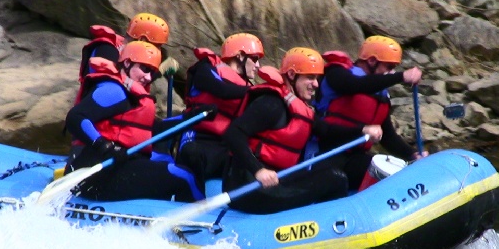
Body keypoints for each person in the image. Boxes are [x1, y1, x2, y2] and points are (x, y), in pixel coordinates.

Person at [222, 47, 382, 214]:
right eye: (310, 78)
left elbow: (326, 130)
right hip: (250, 187)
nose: (316, 84)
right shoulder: (271, 103)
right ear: (291, 75)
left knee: (332, 173)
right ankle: (332, 227)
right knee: (335, 179)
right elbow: (233, 134)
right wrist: (258, 170)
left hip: (276, 180)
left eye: (317, 79)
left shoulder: (300, 109)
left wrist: (363, 131)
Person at [64, 40, 206, 202]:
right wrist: (104, 146)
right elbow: (76, 117)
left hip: (120, 166)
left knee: (173, 170)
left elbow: (154, 130)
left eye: (152, 73)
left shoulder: (132, 96)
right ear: (127, 62)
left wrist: (190, 117)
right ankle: (203, 220)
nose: (148, 77)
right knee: (184, 176)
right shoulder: (114, 90)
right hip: (95, 171)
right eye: (144, 69)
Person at [314, 35, 425, 191]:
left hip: (354, 157)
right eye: (388, 67)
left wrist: (413, 155)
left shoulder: (381, 95)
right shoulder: (336, 73)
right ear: (372, 61)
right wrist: (401, 76)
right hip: (324, 153)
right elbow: (356, 85)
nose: (391, 73)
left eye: (394, 68)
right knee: (336, 180)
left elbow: (388, 136)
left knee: (395, 175)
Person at [177, 32, 264, 184]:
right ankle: (192, 200)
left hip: (225, 146)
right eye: (255, 59)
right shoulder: (205, 68)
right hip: (197, 140)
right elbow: (221, 90)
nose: (258, 66)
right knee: (193, 154)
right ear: (240, 56)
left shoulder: (248, 88)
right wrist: (258, 92)